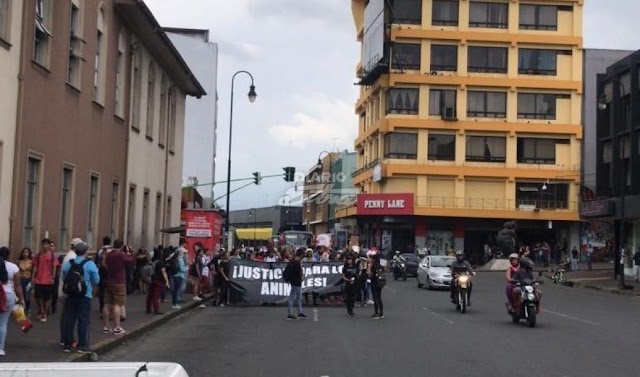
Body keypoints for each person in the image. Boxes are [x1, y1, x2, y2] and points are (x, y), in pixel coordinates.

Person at [60, 242, 99, 353]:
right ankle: (82, 345)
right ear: (85, 251)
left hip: (70, 294)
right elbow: (96, 280)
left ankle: (67, 344)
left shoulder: (69, 263)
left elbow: (64, 277)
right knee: (83, 320)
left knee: (69, 319)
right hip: (84, 295)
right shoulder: (90, 264)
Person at [102, 240, 134, 335]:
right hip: (119, 282)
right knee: (117, 304)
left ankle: (106, 326)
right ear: (121, 246)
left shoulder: (109, 254)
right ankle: (117, 327)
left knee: (107, 304)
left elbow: (104, 264)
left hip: (109, 280)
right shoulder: (120, 254)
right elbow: (130, 261)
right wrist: (129, 252)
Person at [0, 246, 26, 356]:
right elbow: (17, 285)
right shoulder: (13, 267)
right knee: (3, 323)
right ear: (9, 255)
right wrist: (21, 299)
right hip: (9, 295)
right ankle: (0, 348)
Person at [32, 238, 60, 322]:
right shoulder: (39, 255)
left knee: (46, 298)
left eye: (46, 244)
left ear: (48, 245)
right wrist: (33, 277)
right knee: (37, 297)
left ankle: (44, 313)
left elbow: (54, 267)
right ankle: (40, 309)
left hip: (48, 280)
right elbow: (36, 266)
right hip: (39, 279)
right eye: (43, 244)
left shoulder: (52, 256)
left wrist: (53, 277)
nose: (44, 246)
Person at [285, 249, 307, 320]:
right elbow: (299, 273)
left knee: (299, 297)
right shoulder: (297, 263)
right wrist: (302, 277)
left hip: (294, 281)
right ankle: (290, 314)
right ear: (301, 255)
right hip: (296, 281)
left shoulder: (293, 261)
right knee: (292, 298)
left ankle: (300, 312)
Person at [17, 248, 33, 317]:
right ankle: (21, 311)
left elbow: (33, 272)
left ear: (29, 253)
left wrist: (32, 281)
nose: (25, 253)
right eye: (24, 252)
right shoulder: (19, 261)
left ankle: (28, 309)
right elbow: (16, 271)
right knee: (20, 296)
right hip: (20, 280)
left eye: (27, 252)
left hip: (28, 280)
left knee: (27, 297)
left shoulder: (31, 262)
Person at [367, 254, 384, 319]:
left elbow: (370, 275)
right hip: (380, 283)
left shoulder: (373, 266)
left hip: (374, 283)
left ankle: (376, 313)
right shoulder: (380, 266)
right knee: (379, 298)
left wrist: (369, 272)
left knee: (375, 298)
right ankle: (381, 313)